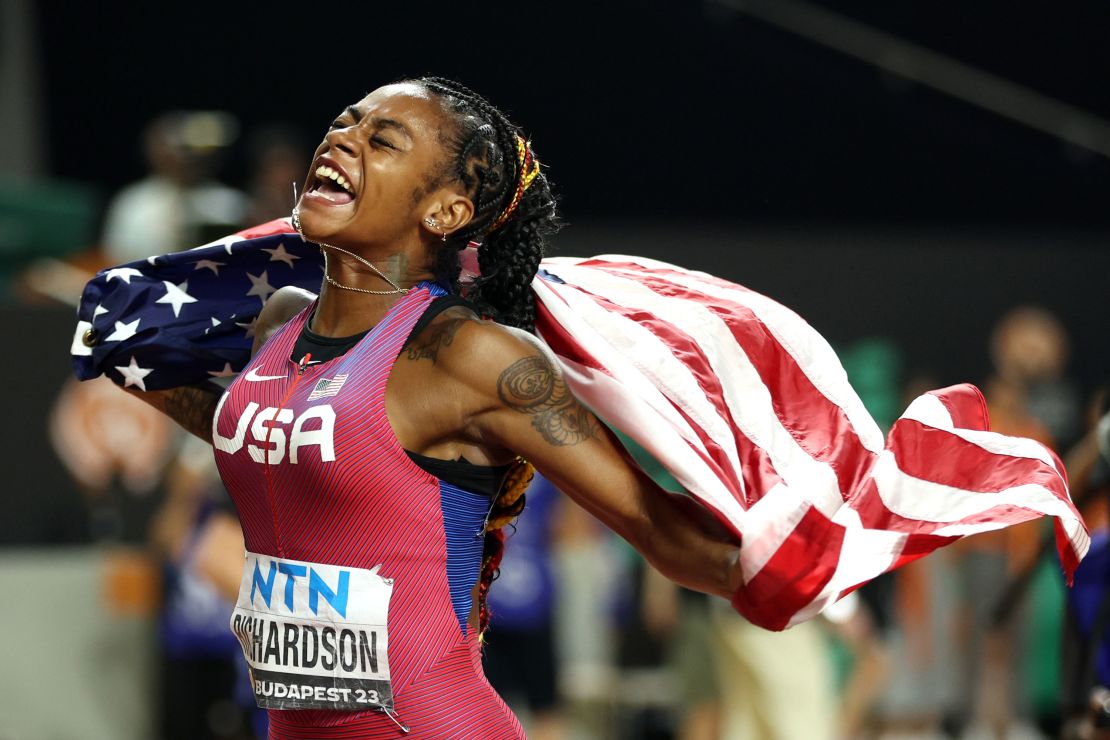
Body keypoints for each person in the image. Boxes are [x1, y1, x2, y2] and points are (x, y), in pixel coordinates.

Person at [124, 77, 743, 739]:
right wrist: (121, 342)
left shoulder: (468, 357)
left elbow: (661, 532)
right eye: (344, 123)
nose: (342, 141)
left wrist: (832, 557)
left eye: (380, 140)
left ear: (445, 213)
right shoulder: (280, 330)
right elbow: (263, 433)